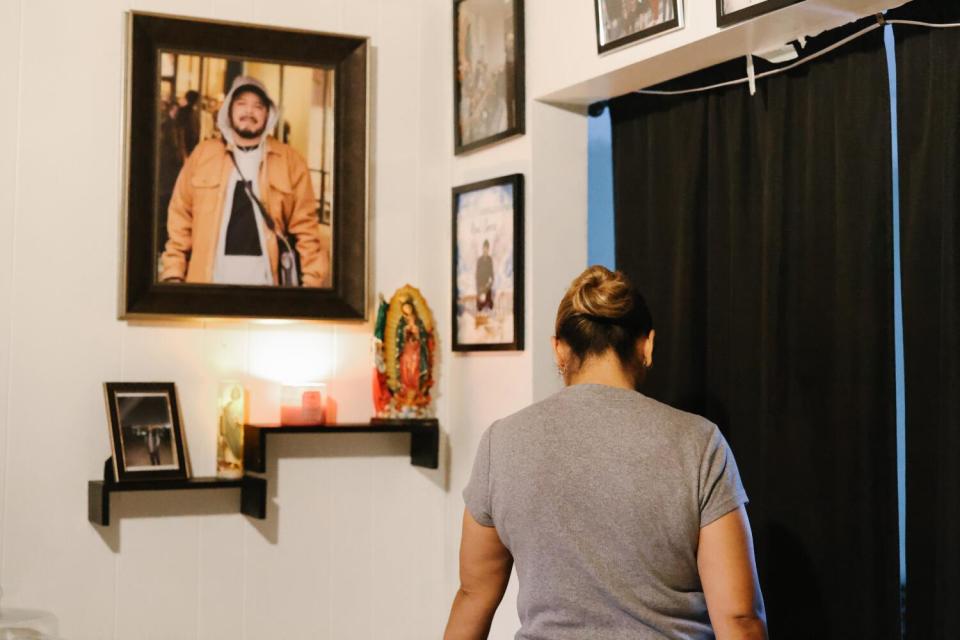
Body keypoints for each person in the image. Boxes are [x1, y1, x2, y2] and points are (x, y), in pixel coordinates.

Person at [445, 265, 767, 640]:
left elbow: (473, 595)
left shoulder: (500, 442)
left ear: (560, 349)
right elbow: (739, 618)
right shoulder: (699, 442)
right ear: (646, 345)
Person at [160, 76, 329, 286]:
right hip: (207, 285)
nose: (249, 111)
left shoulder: (290, 162)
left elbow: (307, 232)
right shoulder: (203, 155)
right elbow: (180, 218)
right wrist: (173, 274)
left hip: (267, 287)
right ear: (229, 110)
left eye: (258, 106)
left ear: (268, 114)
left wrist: (312, 284)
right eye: (241, 103)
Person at [475, 239, 494, 313]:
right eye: (484, 248)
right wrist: (479, 288)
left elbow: (492, 274)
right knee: (479, 307)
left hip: (487, 286)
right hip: (480, 287)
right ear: (482, 249)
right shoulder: (479, 260)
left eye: (487, 248)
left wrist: (489, 284)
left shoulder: (490, 260)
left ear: (488, 249)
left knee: (490, 306)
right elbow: (477, 275)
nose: (485, 250)